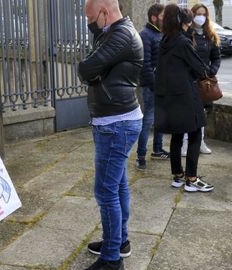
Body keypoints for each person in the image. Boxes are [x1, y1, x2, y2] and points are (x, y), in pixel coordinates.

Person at [77, 0, 143, 269]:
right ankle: (119, 242)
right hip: (116, 120)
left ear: (104, 12)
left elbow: (86, 69)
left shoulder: (120, 35)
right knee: (117, 185)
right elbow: (93, 69)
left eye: (91, 18)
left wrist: (94, 72)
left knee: (105, 191)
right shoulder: (113, 34)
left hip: (116, 124)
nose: (89, 24)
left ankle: (112, 258)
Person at [154, 5, 214, 192]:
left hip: (170, 97)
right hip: (186, 95)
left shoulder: (165, 40)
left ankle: (178, 175)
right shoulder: (182, 41)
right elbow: (200, 67)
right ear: (183, 22)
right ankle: (192, 178)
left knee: (177, 136)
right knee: (195, 134)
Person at [180, 3, 222, 157]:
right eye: (198, 13)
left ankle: (201, 142)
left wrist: (211, 71)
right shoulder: (186, 34)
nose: (201, 17)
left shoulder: (210, 35)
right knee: (187, 113)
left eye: (204, 14)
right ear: (192, 15)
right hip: (189, 80)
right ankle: (185, 143)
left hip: (205, 82)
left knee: (202, 114)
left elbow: (216, 58)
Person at [136, 3, 169, 170]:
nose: (166, 20)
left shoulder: (160, 34)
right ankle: (140, 156)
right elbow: (146, 65)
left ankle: (157, 149)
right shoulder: (145, 35)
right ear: (154, 17)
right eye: (163, 17)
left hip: (162, 86)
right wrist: (155, 86)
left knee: (161, 119)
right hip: (151, 87)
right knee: (148, 120)